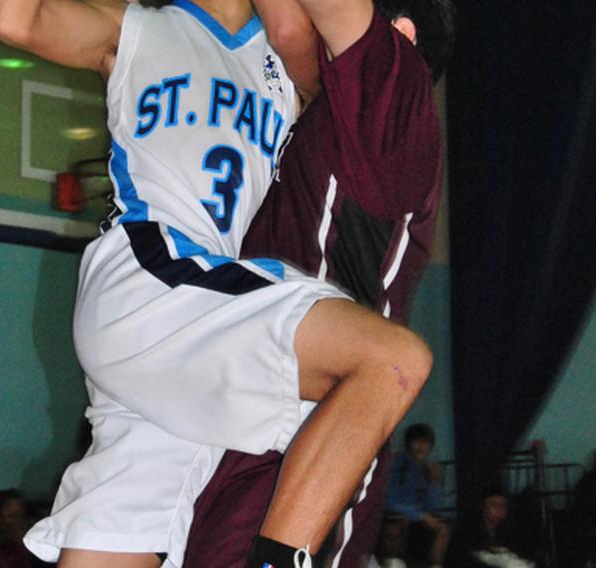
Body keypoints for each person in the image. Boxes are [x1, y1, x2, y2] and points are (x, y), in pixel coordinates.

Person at [0, 0, 433, 566]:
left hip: (202, 331)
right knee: (387, 359)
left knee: (113, 547)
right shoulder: (133, 27)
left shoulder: (288, 49)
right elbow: (13, 19)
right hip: (150, 279)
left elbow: (307, 34)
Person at [183, 0, 453, 564]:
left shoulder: (397, 92)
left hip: (317, 424)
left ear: (398, 34)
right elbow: (285, 26)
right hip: (261, 402)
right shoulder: (326, 112)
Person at [380, 424, 449, 568]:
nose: (421, 447)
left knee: (443, 528)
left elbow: (433, 506)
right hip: (395, 516)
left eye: (426, 443)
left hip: (417, 519)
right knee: (398, 526)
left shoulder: (426, 468)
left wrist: (434, 484)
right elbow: (389, 499)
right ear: (408, 443)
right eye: (417, 441)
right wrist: (420, 515)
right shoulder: (398, 462)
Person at [444, 484, 531, 568]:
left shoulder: (508, 530)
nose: (500, 510)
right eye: (494, 505)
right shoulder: (468, 531)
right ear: (482, 506)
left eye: (503, 506)